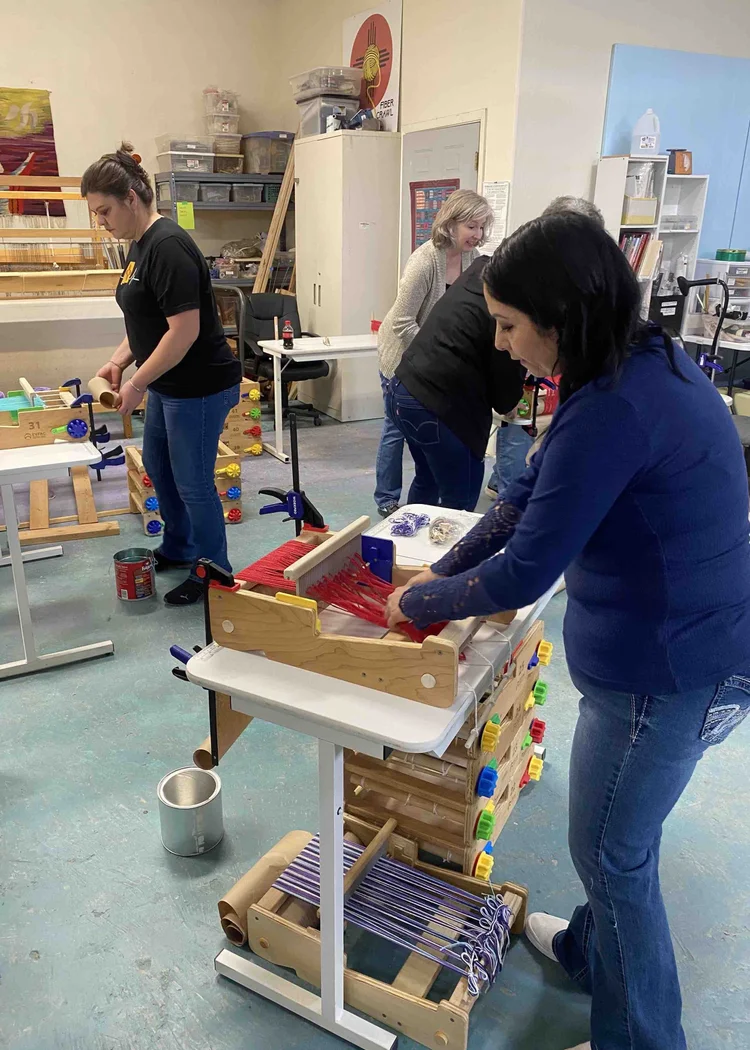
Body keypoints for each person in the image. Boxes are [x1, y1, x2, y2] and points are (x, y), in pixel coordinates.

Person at [385, 213, 750, 1050]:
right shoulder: (634, 362)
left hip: (673, 673)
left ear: (559, 319)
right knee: (616, 840)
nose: (501, 344)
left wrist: (422, 605)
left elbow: (523, 572)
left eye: (509, 325)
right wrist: (441, 574)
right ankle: (594, 951)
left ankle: (642, 1041)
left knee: (615, 855)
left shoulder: (613, 408)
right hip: (680, 655)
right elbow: (524, 500)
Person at [82, 143, 242, 606]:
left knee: (193, 482)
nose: (101, 222)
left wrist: (136, 383)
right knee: (159, 467)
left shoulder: (168, 246)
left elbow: (183, 332)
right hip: (169, 383)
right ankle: (180, 546)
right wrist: (118, 362)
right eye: (96, 214)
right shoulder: (138, 246)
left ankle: (214, 572)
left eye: (105, 211)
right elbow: (148, 322)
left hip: (199, 386)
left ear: (132, 198)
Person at [374, 189, 494, 516]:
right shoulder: (425, 261)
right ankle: (386, 499)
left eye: (482, 227)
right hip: (400, 356)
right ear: (451, 224)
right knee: (396, 429)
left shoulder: (472, 259)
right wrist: (437, 356)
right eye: (471, 226)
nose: (477, 234)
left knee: (426, 451)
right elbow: (402, 321)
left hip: (433, 362)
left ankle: (420, 501)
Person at [486, 196, 605, 499]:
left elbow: (556, 504)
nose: (499, 342)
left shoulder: (608, 398)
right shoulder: (587, 366)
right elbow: (536, 482)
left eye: (508, 326)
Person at [385, 255, 525, 510]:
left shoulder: (476, 276)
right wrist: (513, 396)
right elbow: (505, 399)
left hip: (403, 390)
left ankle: (411, 533)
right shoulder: (509, 302)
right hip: (440, 406)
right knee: (459, 503)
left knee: (428, 479)